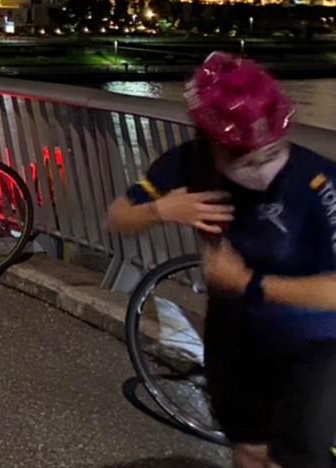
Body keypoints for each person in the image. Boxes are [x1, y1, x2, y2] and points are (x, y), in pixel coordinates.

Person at [105, 52, 336, 468]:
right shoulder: (190, 161)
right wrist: (160, 211)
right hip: (234, 334)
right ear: (214, 145)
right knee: (248, 448)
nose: (265, 171)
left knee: (296, 459)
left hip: (315, 344)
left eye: (274, 152)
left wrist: (249, 282)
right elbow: (118, 217)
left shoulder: (319, 183)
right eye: (248, 162)